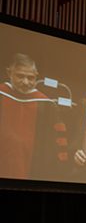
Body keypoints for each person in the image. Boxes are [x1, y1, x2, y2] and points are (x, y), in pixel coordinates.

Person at [0, 53, 68, 181]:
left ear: (36, 76)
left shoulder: (46, 105)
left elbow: (57, 145)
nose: (25, 82)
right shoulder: (1, 95)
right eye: (20, 76)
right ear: (9, 73)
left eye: (30, 78)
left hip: (33, 173)